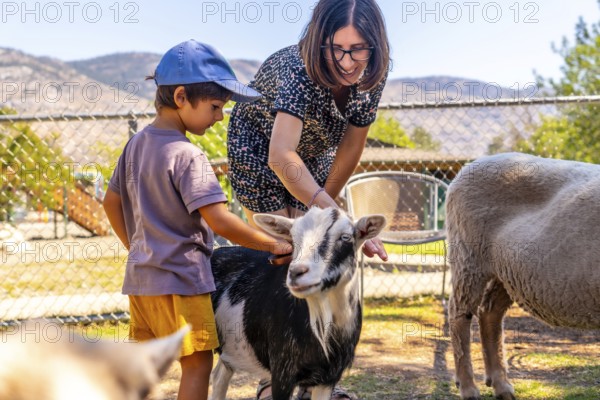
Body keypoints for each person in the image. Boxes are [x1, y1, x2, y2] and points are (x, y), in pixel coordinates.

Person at [102, 40, 292, 400]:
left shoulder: (135, 145)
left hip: (142, 279)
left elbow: (111, 202)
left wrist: (137, 248)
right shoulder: (188, 155)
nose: (220, 116)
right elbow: (220, 221)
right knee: (197, 363)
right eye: (216, 106)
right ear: (181, 98)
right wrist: (277, 244)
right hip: (182, 280)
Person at [227, 0, 391, 398]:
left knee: (318, 261)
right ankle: (277, 378)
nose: (349, 61)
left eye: (360, 49)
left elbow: (351, 148)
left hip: (314, 153)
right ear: (321, 42)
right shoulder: (302, 70)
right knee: (287, 255)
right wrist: (334, 214)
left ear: (376, 46)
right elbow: (281, 156)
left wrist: (326, 215)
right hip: (261, 148)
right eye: (338, 48)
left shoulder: (372, 74)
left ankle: (317, 378)